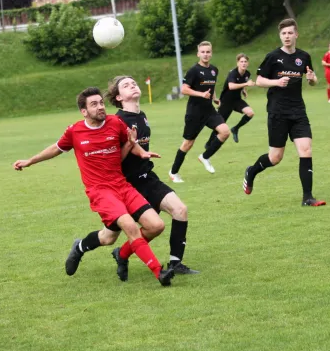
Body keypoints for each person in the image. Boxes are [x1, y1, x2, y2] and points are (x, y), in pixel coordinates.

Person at [12, 87, 175, 287]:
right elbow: (56, 148)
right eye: (94, 104)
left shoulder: (115, 123)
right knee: (130, 227)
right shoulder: (75, 131)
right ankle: (159, 272)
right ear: (84, 111)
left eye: (101, 103)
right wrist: (30, 161)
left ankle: (92, 249)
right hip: (100, 191)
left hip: (122, 185)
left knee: (154, 226)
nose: (100, 107)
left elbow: (127, 144)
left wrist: (139, 151)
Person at [99, 76, 199, 279]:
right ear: (118, 96)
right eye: (126, 85)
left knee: (180, 210)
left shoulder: (141, 115)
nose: (133, 85)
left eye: (134, 83)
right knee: (109, 236)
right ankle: (112, 251)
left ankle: (176, 263)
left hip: (148, 178)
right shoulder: (117, 122)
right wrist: (130, 145)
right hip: (128, 185)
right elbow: (114, 160)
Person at [242, 18, 326, 207]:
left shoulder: (304, 56)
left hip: (298, 112)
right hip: (277, 112)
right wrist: (276, 82)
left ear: (296, 34)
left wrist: (312, 79)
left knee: (306, 150)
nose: (287, 36)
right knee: (275, 158)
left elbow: (312, 80)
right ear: (280, 36)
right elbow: (260, 80)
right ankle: (252, 171)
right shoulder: (273, 57)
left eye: (290, 33)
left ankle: (308, 197)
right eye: (283, 33)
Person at [169, 41, 230, 182]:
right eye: (203, 52)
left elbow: (211, 88)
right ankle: (173, 172)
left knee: (225, 132)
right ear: (198, 54)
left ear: (211, 53)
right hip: (195, 112)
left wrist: (214, 98)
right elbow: (184, 89)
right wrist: (201, 94)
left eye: (208, 51)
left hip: (209, 110)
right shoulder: (193, 71)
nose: (206, 54)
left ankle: (205, 157)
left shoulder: (214, 70)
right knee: (188, 144)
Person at [205, 53, 255, 148]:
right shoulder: (233, 73)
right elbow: (231, 86)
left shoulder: (247, 73)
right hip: (226, 102)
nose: (243, 63)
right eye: (241, 62)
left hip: (237, 100)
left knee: (250, 113)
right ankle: (209, 143)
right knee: (220, 124)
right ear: (237, 63)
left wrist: (244, 90)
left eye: (245, 61)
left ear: (248, 63)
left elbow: (241, 82)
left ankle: (235, 128)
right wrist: (246, 84)